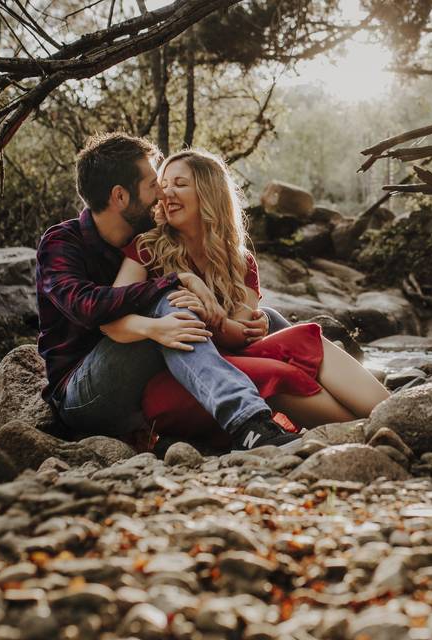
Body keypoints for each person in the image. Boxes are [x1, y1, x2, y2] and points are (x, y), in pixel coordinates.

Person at [36, 133, 307, 453]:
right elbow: (87, 307)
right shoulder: (61, 243)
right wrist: (174, 283)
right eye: (153, 185)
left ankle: (326, 398)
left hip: (147, 375)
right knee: (171, 300)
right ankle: (247, 424)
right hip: (85, 394)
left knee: (270, 318)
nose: (162, 193)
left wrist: (241, 318)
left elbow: (199, 257)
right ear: (120, 197)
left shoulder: (146, 233)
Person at [99, 147, 390, 444]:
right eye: (164, 185)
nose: (167, 194)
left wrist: (213, 317)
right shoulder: (146, 249)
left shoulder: (240, 261)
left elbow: (238, 337)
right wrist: (161, 326)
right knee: (277, 372)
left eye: (181, 184)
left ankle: (392, 415)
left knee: (305, 337)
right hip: (180, 383)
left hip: (233, 366)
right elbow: (111, 321)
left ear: (210, 193)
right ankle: (366, 434)